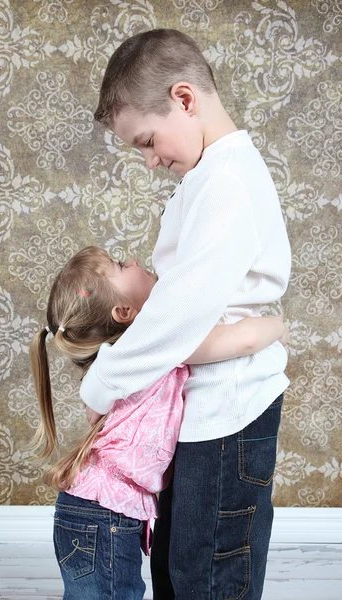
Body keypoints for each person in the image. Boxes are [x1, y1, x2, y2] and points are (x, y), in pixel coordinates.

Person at [79, 29, 292, 600]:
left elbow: (179, 316)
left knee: (208, 575)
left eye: (148, 141)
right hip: (204, 410)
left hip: (230, 412)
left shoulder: (226, 181)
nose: (150, 161)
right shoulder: (207, 179)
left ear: (185, 99)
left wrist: (107, 378)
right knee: (178, 567)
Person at [29, 246, 289, 600]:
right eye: (121, 265)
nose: (134, 260)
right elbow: (242, 339)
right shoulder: (152, 343)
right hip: (103, 516)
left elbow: (95, 391)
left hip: (97, 512)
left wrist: (97, 401)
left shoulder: (138, 352)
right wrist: (278, 327)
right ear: (123, 312)